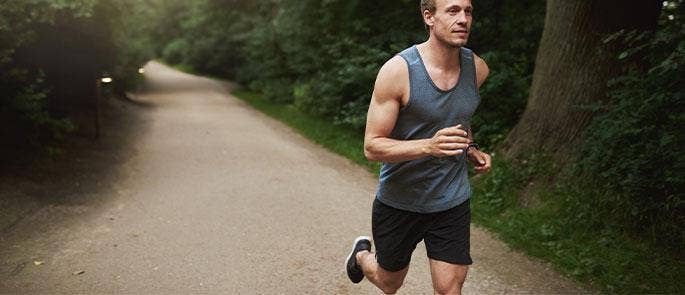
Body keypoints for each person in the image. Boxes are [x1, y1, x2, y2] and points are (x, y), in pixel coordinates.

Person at [344, 0, 492, 294]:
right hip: (400, 201)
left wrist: (470, 146)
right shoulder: (399, 71)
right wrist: (429, 147)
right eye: (452, 11)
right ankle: (361, 256)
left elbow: (458, 114)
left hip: (451, 200)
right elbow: (372, 147)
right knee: (389, 283)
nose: (463, 19)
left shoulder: (476, 68)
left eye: (468, 11)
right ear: (429, 17)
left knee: (450, 289)